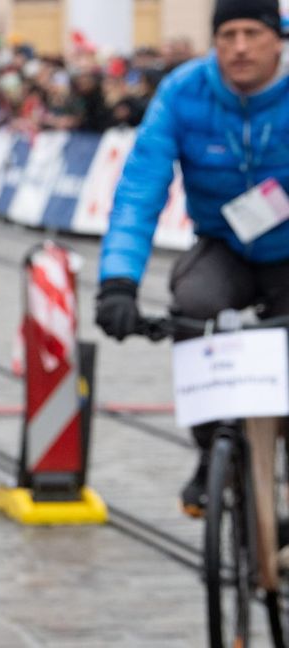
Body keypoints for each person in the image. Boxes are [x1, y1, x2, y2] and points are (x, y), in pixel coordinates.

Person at [96, 0, 289, 517]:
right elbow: (139, 192)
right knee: (194, 305)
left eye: (252, 32)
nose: (240, 47)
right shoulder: (184, 91)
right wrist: (117, 282)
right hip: (223, 245)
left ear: (279, 37)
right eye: (227, 34)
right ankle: (211, 451)